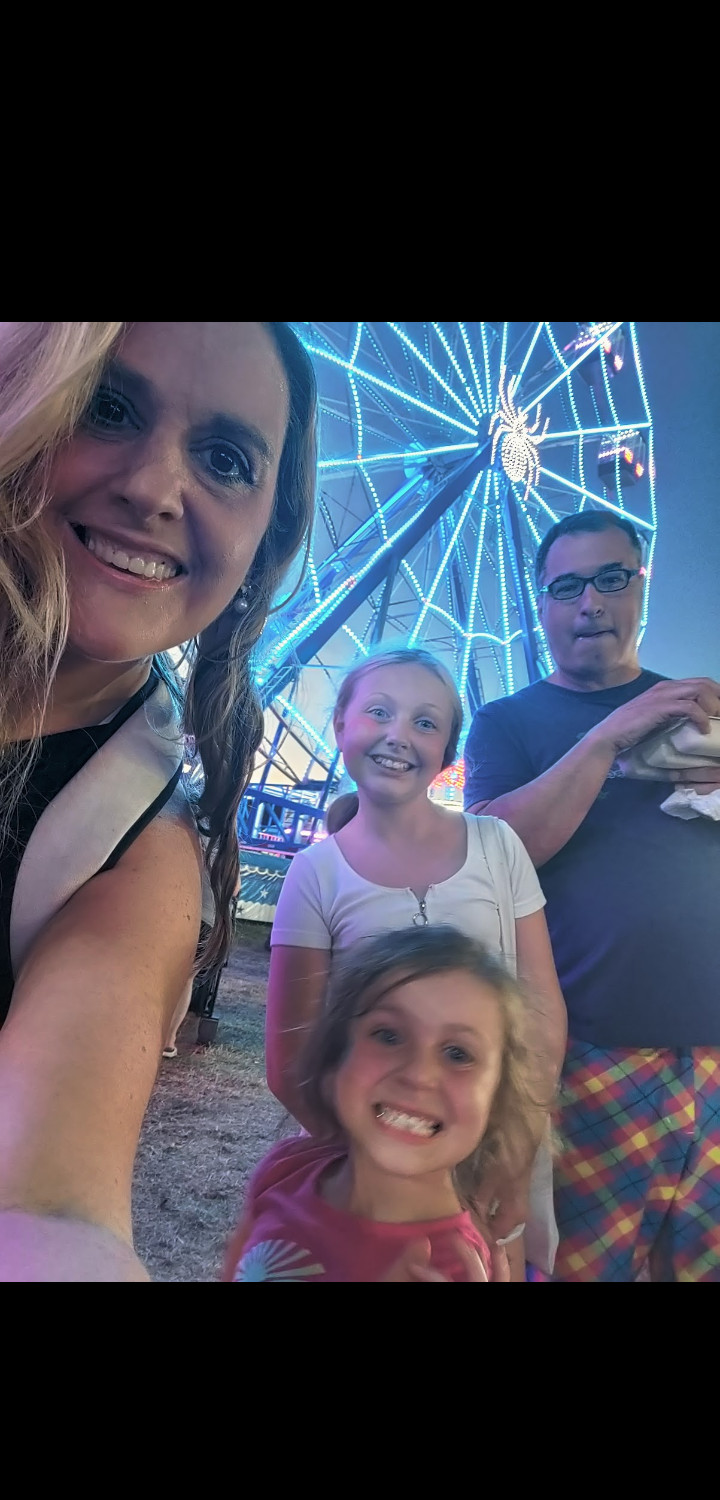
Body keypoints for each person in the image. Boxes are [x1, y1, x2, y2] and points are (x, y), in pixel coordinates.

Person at [0, 321, 317, 1281]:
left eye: (225, 460)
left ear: (266, 544)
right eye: (107, 406)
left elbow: (46, 1201)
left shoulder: (131, 850)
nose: (153, 487)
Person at [463, 509, 720, 1282]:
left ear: (641, 585)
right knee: (580, 1268)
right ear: (540, 602)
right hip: (587, 1053)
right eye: (567, 587)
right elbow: (494, 851)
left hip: (714, 1054)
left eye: (611, 579)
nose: (591, 604)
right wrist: (612, 733)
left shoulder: (699, 712)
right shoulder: (507, 724)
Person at [265, 645, 567, 1280]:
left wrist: (513, 1156)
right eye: (379, 712)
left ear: (448, 752)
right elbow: (289, 1059)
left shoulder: (497, 846)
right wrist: (389, 1167)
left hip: (498, 1145)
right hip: (375, 1155)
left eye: (425, 722)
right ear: (340, 724)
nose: (398, 735)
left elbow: (541, 1009)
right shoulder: (315, 875)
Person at [224, 925, 543, 1282]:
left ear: (497, 1102)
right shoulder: (286, 1169)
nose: (418, 1074)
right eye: (389, 1035)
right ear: (334, 1061)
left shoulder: (455, 1269)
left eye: (458, 1054)